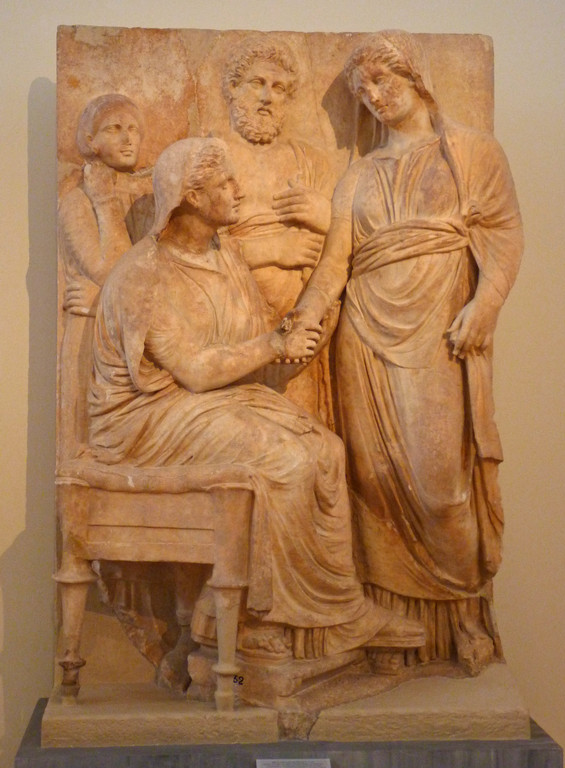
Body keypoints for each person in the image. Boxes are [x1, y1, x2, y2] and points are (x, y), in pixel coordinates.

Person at [87, 137, 425, 681]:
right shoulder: (143, 275)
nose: (238, 191)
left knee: (324, 450)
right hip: (140, 420)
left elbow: (246, 360)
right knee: (284, 460)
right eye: (225, 183)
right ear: (191, 196)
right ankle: (263, 623)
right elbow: (195, 371)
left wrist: (303, 336)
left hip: (204, 403)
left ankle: (336, 613)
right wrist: (272, 344)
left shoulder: (224, 257)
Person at [288, 31, 523, 675]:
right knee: (375, 485)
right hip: (363, 335)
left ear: (415, 77)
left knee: (441, 484)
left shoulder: (470, 152)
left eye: (383, 80)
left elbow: (505, 235)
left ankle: (463, 614)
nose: (374, 96)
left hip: (439, 329)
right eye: (363, 89)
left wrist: (486, 306)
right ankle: (393, 630)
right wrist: (303, 318)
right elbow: (334, 264)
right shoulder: (359, 174)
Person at [218, 34, 335, 424]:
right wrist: (273, 249)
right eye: (258, 83)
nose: (268, 97)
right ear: (232, 89)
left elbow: (345, 250)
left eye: (279, 88)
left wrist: (327, 216)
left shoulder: (309, 161)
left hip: (301, 328)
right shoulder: (209, 156)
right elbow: (179, 252)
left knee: (303, 436)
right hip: (230, 329)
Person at [58, 93, 153, 460]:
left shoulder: (145, 196)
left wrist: (100, 295)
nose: (128, 139)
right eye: (114, 129)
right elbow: (114, 272)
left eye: (134, 130)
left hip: (135, 333)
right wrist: (102, 200)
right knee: (85, 448)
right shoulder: (77, 201)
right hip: (91, 335)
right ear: (91, 141)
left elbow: (150, 276)